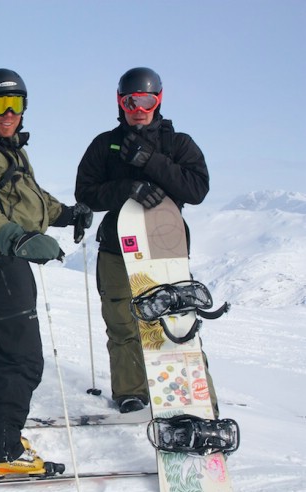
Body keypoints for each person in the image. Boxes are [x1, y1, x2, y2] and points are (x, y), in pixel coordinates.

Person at [0, 68, 92, 476]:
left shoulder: (7, 148)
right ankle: (1, 450)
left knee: (0, 352)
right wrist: (17, 239)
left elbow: (30, 197)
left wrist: (66, 214)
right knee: (24, 361)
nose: (8, 113)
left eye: (16, 105)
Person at [74, 67, 218, 414]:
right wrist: (126, 188)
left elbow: (196, 189)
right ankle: (131, 392)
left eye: (147, 100)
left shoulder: (177, 144)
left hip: (165, 249)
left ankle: (198, 396)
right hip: (116, 247)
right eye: (131, 100)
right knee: (122, 324)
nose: (139, 107)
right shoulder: (104, 145)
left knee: (177, 321)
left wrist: (152, 161)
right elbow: (85, 194)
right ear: (120, 102)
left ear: (159, 100)